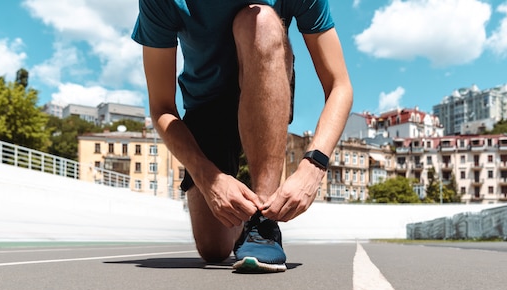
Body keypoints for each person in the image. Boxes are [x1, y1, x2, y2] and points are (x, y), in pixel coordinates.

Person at [133, 0, 353, 273]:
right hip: (206, 106)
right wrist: (208, 178)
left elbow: (339, 85)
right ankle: (243, 220)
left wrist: (314, 165)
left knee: (258, 21)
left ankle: (262, 223)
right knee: (213, 249)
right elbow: (162, 108)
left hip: (266, 85)